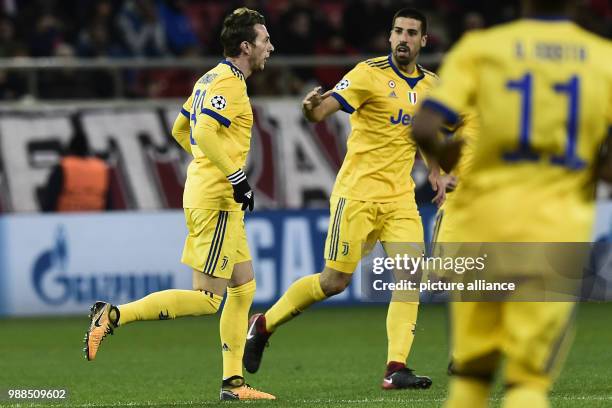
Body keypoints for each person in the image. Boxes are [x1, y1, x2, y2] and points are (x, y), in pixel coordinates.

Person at [411, 0, 612, 406]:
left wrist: (446, 156)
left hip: (482, 219)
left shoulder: (482, 48)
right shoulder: (602, 58)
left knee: (470, 374)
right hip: (554, 229)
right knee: (527, 382)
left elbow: (424, 127)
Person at [83, 7, 276, 401]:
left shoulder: (210, 77)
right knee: (208, 299)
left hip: (213, 194)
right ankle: (113, 314)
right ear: (245, 47)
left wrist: (207, 164)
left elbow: (180, 127)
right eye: (264, 40)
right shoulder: (230, 84)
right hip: (218, 199)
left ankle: (233, 383)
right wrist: (233, 176)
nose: (270, 47)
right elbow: (202, 130)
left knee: (244, 287)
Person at [243, 8, 435, 390]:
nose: (403, 38)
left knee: (411, 277)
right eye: (398, 31)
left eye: (411, 33)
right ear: (389, 35)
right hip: (358, 195)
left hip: (400, 199)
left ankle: (395, 368)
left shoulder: (433, 87)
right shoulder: (368, 74)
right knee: (334, 282)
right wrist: (310, 108)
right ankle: (264, 324)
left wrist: (438, 170)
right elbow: (322, 111)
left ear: (423, 41)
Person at [41, 118, 111, 212]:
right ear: (88, 151)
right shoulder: (101, 168)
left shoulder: (64, 167)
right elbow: (108, 201)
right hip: (94, 220)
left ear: (70, 149)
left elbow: (50, 198)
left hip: (66, 220)